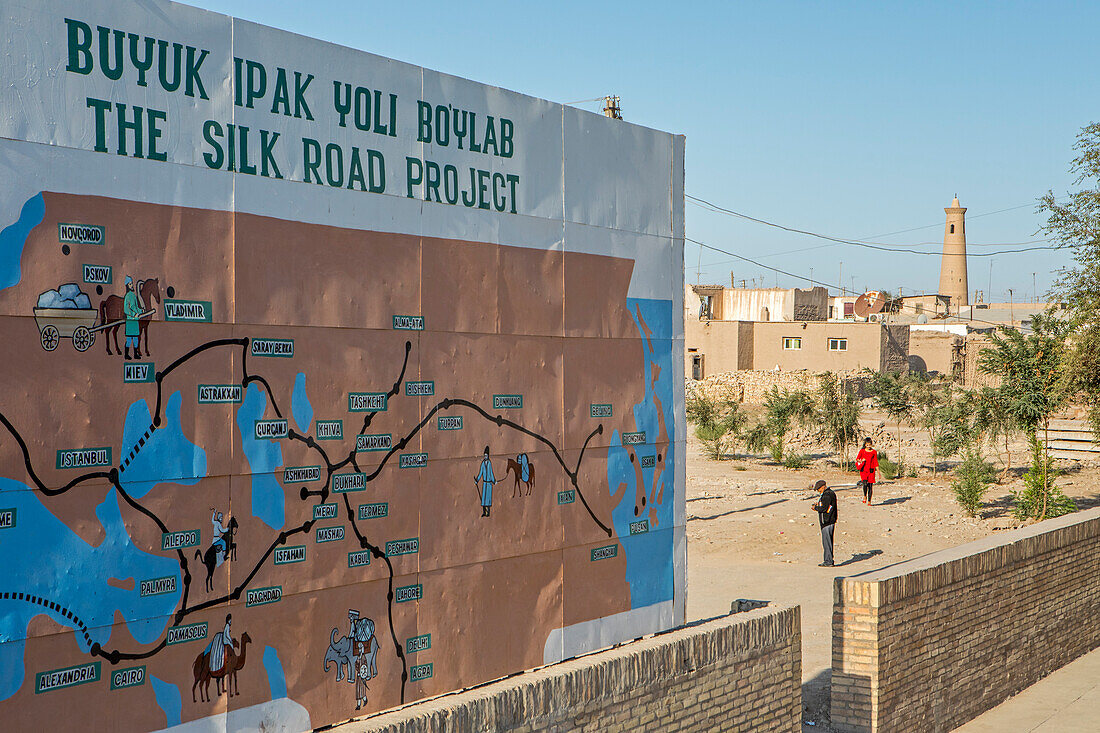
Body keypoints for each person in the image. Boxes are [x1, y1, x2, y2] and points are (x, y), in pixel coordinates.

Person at [811, 479, 837, 567]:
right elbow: (827, 506)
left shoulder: (827, 495)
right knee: (828, 542)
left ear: (823, 487)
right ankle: (829, 560)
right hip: (830, 521)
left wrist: (816, 508)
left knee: (827, 542)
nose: (818, 491)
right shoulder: (830, 494)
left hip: (827, 522)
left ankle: (828, 561)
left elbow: (825, 508)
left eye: (818, 489)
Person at [123, 275, 142, 360]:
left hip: (135, 321)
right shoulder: (127, 296)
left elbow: (136, 306)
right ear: (127, 285)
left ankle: (135, 354)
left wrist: (140, 311)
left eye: (132, 284)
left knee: (135, 340)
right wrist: (133, 314)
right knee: (129, 340)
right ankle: (126, 355)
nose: (132, 285)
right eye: (130, 284)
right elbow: (126, 309)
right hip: (130, 321)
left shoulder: (133, 295)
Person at [856, 437, 879, 505]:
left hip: (871, 470)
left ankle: (869, 501)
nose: (868, 446)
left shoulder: (874, 452)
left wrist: (878, 471)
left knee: (870, 486)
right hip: (864, 470)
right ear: (865, 445)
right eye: (867, 445)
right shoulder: (862, 451)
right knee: (865, 484)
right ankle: (865, 496)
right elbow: (857, 459)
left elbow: (875, 462)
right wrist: (861, 460)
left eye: (870, 445)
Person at [475, 446, 496, 517]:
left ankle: (488, 513)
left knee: (488, 499)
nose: (485, 457)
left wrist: (494, 481)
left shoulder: (489, 463)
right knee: (484, 499)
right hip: (484, 483)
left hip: (489, 483)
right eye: (484, 455)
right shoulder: (483, 463)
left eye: (486, 455)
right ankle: (484, 512)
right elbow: (480, 472)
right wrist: (477, 480)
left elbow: (491, 473)